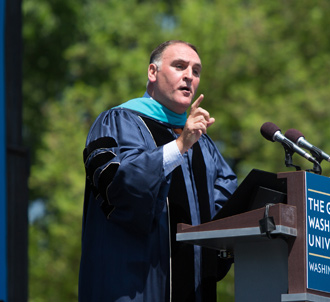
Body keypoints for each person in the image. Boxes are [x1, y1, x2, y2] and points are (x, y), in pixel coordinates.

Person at [79, 40, 237, 302]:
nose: (189, 76)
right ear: (153, 72)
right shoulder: (117, 122)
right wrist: (179, 146)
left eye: (196, 71)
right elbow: (119, 185)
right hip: (132, 288)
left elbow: (227, 206)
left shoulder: (204, 146)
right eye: (179, 66)